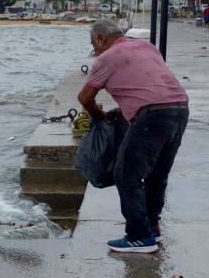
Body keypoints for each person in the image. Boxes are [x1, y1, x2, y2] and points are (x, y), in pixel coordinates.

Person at [77, 20, 189, 253]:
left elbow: (85, 97)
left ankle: (138, 236)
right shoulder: (147, 47)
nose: (95, 51)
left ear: (100, 39)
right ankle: (152, 228)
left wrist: (99, 116)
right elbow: (148, 83)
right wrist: (124, 108)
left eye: (93, 45)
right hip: (179, 109)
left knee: (126, 174)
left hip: (152, 116)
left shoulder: (106, 57)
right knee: (157, 174)